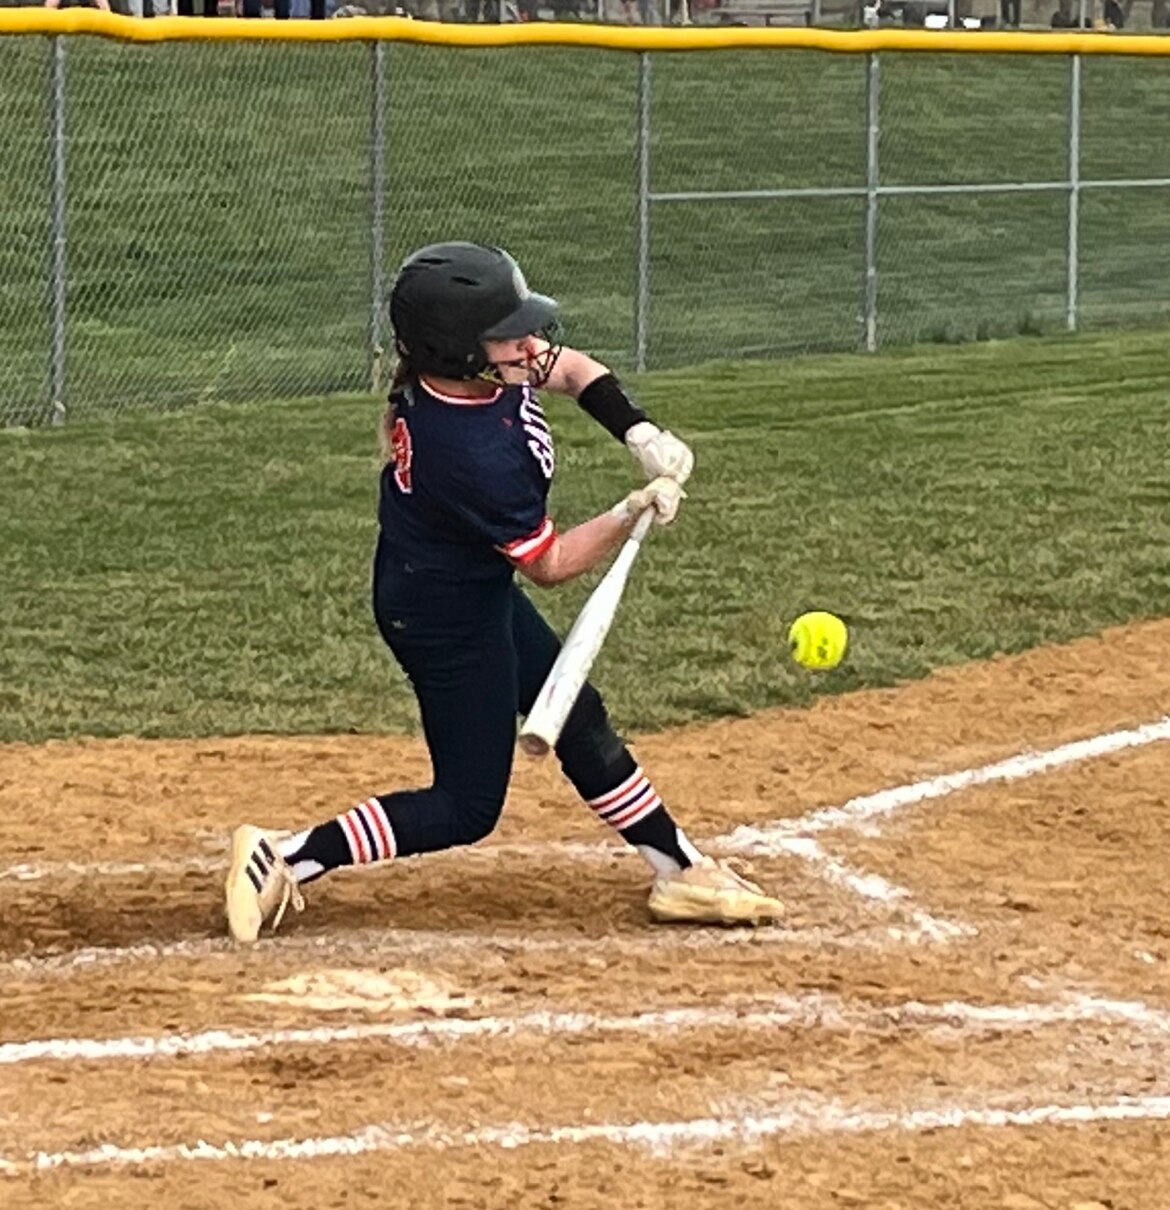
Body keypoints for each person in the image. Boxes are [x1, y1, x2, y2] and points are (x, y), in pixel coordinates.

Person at [223, 241, 785, 943]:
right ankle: (289, 856)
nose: (530, 344)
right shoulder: (472, 454)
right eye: (508, 332)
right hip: (441, 616)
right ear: (459, 349)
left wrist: (638, 430)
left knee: (575, 712)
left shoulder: (482, 373)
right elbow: (547, 564)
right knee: (466, 805)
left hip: (463, 587)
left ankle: (679, 869)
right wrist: (627, 511)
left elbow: (576, 369)